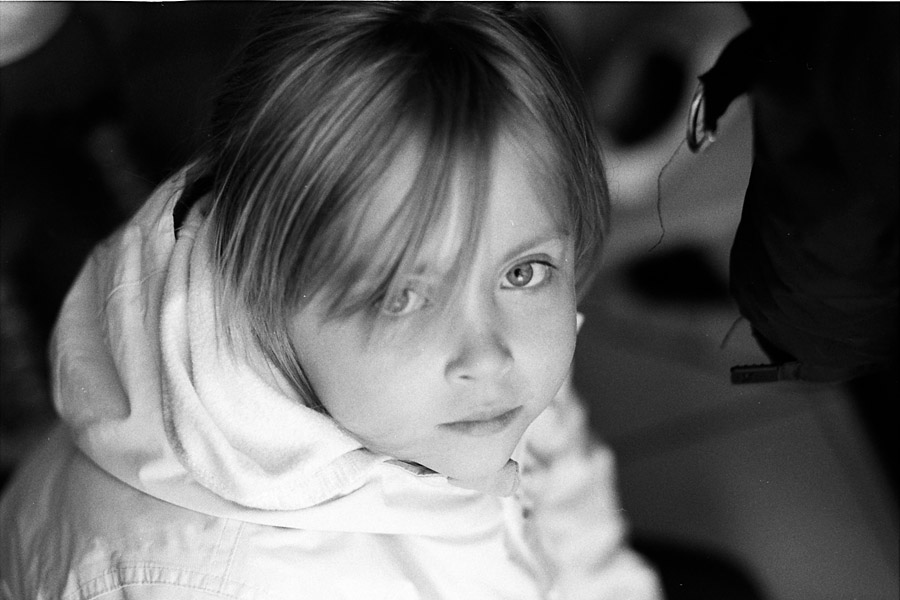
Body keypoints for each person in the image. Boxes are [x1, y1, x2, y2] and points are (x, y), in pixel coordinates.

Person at [0, 4, 661, 599]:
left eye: (523, 272)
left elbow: (568, 502)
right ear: (265, 281)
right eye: (403, 296)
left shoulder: (466, 378)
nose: (488, 356)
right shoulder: (225, 584)